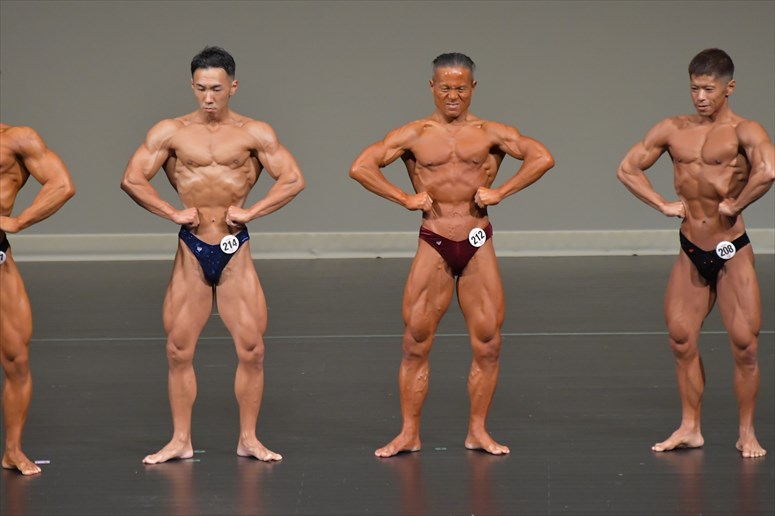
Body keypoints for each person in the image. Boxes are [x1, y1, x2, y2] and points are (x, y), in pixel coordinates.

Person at [350, 52, 555, 458]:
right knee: (415, 341)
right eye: (445, 87)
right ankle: (409, 433)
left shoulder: (490, 132)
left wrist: (501, 192)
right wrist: (404, 198)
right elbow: (361, 167)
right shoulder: (414, 134)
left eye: (460, 87)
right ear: (432, 87)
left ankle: (478, 431)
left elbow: (542, 157)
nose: (453, 95)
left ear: (473, 88)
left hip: (477, 240)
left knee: (488, 343)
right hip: (434, 239)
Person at [121, 46, 304, 464]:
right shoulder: (171, 132)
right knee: (178, 350)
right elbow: (132, 178)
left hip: (235, 248)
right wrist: (172, 213)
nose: (208, 97)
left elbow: (293, 179)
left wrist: (253, 211)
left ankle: (249, 439)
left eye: (216, 89)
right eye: (201, 88)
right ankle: (180, 440)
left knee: (252, 349)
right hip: (192, 247)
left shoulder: (254, 133)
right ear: (192, 86)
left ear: (233, 87)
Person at [617, 48, 774, 458]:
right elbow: (628, 168)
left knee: (745, 346)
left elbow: (768, 170)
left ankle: (746, 433)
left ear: (729, 88)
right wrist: (661, 204)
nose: (700, 97)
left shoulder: (745, 130)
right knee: (681, 339)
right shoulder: (673, 128)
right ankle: (690, 427)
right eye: (694, 89)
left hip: (730, 248)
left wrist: (737, 204)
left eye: (708, 89)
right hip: (691, 248)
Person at [0, 123, 76, 475]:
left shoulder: (16, 139)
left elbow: (61, 184)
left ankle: (12, 451)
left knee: (17, 359)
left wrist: (19, 221)